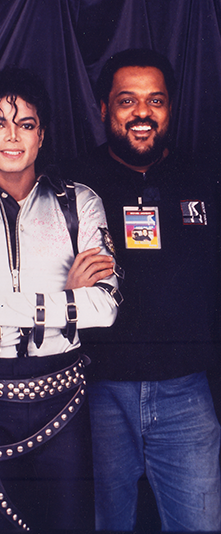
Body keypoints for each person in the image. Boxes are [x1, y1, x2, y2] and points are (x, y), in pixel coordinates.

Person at [0, 67, 122, 533]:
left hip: (65, 401)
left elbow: (105, 308)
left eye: (26, 124)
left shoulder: (81, 205)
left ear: (41, 135)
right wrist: (65, 304)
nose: (12, 137)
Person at [80, 48, 221, 532]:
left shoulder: (203, 177)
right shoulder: (75, 185)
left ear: (170, 107)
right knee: (103, 524)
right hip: (98, 392)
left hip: (186, 392)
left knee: (199, 525)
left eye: (155, 100)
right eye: (127, 100)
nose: (143, 113)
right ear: (104, 108)